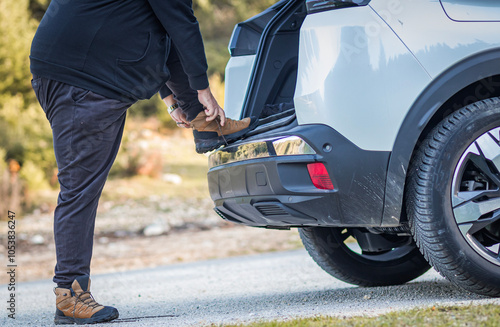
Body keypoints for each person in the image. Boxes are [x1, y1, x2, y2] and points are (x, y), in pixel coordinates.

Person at [30, 0, 255, 324]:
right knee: (79, 190)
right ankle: (69, 294)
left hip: (69, 66)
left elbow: (157, 25)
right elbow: (181, 22)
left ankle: (202, 122)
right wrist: (202, 88)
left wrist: (173, 99)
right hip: (82, 78)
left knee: (80, 188)